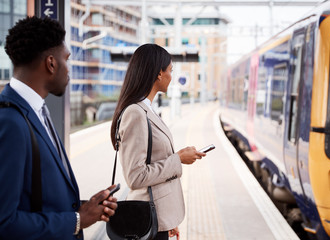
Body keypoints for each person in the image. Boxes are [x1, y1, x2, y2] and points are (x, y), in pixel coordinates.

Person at [0, 16, 117, 239]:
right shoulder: (10, 120)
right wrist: (78, 220)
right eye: (67, 60)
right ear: (51, 63)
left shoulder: (36, 110)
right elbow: (4, 222)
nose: (69, 69)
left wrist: (88, 208)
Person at [110, 43, 206, 240]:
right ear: (158, 74)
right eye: (170, 70)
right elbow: (135, 176)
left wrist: (167, 219)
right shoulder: (136, 113)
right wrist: (178, 159)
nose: (172, 76)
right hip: (148, 216)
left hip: (159, 217)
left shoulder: (147, 110)